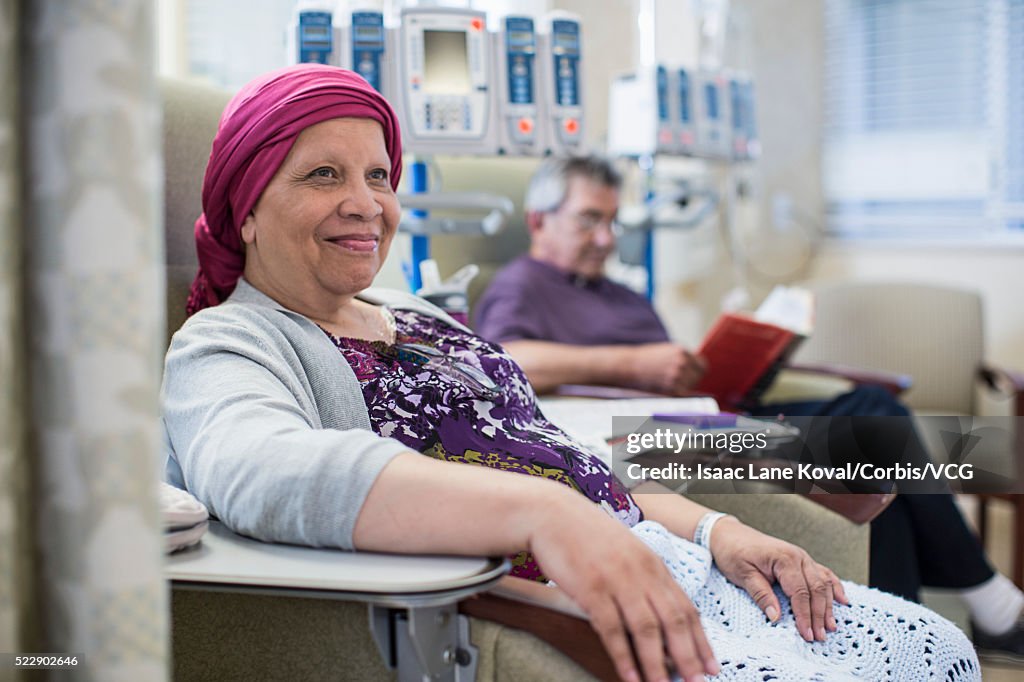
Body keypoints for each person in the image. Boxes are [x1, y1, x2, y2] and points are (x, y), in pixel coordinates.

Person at [161, 65, 980, 681]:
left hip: (661, 552)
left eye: (378, 175)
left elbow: (557, 446)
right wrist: (543, 514)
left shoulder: (420, 315)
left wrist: (721, 529)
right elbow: (264, 471)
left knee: (937, 645)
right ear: (245, 205)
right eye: (322, 174)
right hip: (567, 598)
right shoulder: (229, 343)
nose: (367, 202)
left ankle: (983, 584)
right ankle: (990, 583)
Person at [473, 154, 1024, 664]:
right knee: (875, 428)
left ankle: (897, 651)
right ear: (539, 221)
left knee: (877, 441)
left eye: (613, 222)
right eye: (589, 220)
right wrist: (634, 364)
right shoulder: (521, 286)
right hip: (645, 446)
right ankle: (989, 602)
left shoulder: (617, 293)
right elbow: (508, 359)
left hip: (702, 420)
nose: (605, 238)